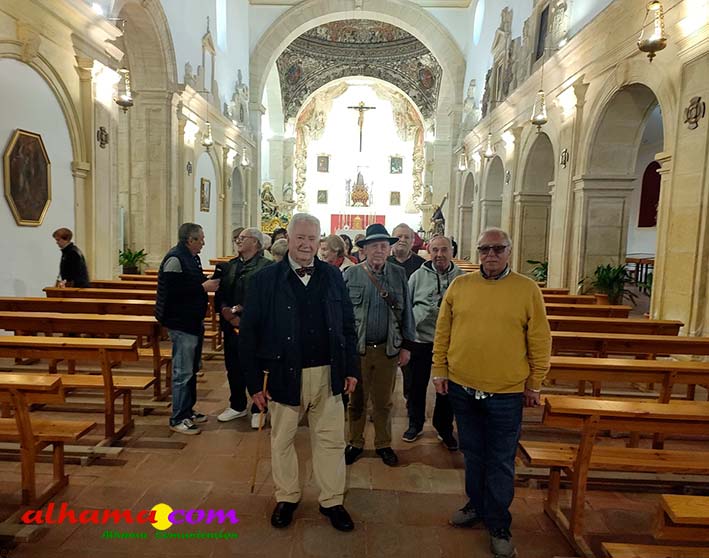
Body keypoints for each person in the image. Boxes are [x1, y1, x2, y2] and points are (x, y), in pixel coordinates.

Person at [432, 227, 551, 558]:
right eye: (484, 249)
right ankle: (476, 504)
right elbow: (443, 331)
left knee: (500, 459)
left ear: (509, 251)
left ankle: (498, 522)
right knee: (472, 452)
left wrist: (535, 382)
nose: (491, 255)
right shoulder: (461, 285)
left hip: (506, 392)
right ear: (478, 252)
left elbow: (540, 339)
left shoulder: (526, 289)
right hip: (462, 386)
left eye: (498, 249)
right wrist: (439, 369)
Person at [239, 213, 360, 532]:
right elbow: (248, 334)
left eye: (312, 239)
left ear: (320, 242)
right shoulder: (265, 279)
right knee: (282, 439)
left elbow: (348, 325)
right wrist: (254, 384)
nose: (306, 244)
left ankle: (332, 500)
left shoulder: (333, 276)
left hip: (328, 372)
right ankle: (287, 496)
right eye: (300, 238)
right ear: (288, 240)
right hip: (282, 372)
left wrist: (351, 368)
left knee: (331, 441)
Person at [343, 224, 415, 467]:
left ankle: (383, 444)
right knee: (357, 401)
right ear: (364, 249)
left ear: (389, 249)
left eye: (384, 246)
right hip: (359, 350)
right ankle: (355, 442)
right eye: (374, 246)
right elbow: (343, 315)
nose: (379, 250)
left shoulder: (398, 274)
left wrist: (407, 345)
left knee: (384, 402)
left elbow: (407, 312)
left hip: (388, 349)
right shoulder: (351, 274)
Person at [156, 223, 220, 435]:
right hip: (181, 322)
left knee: (191, 370)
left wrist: (210, 282)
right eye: (201, 239)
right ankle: (177, 418)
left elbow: (193, 282)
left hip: (192, 320)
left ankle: (187, 411)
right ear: (190, 240)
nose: (203, 243)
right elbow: (173, 292)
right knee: (182, 373)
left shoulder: (192, 258)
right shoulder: (175, 259)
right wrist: (203, 287)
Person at [403, 235, 463, 449]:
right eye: (435, 250)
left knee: (446, 387)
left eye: (444, 249)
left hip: (449, 343)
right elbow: (406, 308)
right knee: (415, 385)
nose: (439, 254)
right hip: (421, 339)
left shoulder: (462, 278)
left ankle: (444, 427)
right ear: (429, 251)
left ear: (452, 251)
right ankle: (415, 423)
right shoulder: (417, 276)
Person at [215, 228, 272, 427]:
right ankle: (237, 405)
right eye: (237, 239)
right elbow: (221, 293)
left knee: (257, 368)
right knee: (233, 366)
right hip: (231, 325)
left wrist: (244, 315)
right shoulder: (229, 266)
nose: (238, 241)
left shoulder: (267, 267)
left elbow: (268, 299)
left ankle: (259, 408)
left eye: (242, 238)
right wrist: (226, 312)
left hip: (256, 328)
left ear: (255, 242)